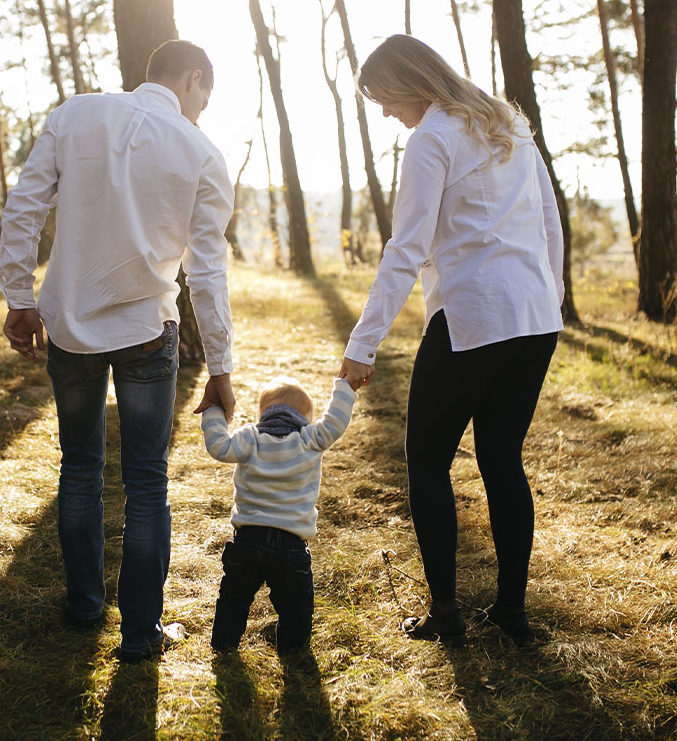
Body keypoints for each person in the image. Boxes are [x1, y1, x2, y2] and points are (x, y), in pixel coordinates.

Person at [0, 39, 236, 663]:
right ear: (191, 77)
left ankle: (83, 608)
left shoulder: (76, 113)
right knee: (147, 482)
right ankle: (140, 633)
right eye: (203, 95)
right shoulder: (202, 152)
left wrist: (19, 294)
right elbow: (207, 275)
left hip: (68, 325)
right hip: (146, 334)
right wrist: (221, 365)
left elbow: (24, 206)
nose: (202, 109)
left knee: (78, 468)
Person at [337, 34, 563, 645]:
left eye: (384, 97)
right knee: (501, 458)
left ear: (410, 83)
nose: (385, 112)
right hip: (534, 317)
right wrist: (553, 294)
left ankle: (446, 615)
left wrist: (363, 344)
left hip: (475, 317)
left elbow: (405, 250)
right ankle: (512, 615)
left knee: (428, 462)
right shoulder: (507, 119)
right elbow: (549, 217)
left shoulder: (430, 140)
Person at [200, 375, 356, 654]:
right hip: (291, 547)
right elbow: (335, 422)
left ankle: (224, 646)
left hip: (247, 542)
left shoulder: (250, 438)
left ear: (264, 413)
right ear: (304, 417)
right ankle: (293, 652)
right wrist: (346, 386)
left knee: (234, 599)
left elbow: (218, 446)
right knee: (297, 605)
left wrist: (213, 408)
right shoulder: (310, 439)